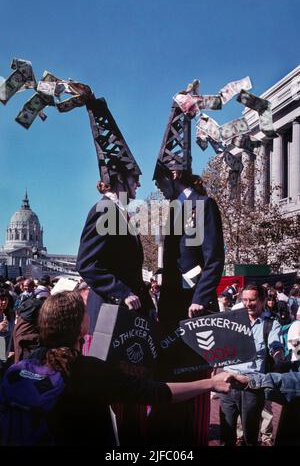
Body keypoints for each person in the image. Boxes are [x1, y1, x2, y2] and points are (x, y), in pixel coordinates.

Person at [0, 291, 237, 446]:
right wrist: (211, 383)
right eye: (85, 310)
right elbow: (155, 392)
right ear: (80, 325)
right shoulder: (87, 371)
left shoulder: (20, 366)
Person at [76, 97, 155, 444]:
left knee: (129, 393)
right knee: (112, 393)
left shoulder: (124, 215)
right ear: (120, 180)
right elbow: (87, 264)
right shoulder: (104, 211)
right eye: (135, 180)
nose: (138, 187)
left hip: (129, 315)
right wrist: (122, 292)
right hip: (111, 313)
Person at [148, 101, 225, 446]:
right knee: (168, 384)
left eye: (162, 180)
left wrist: (200, 298)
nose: (160, 188)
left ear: (175, 175)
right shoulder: (174, 210)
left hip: (192, 312)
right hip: (170, 311)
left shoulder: (203, 205)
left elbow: (214, 259)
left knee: (193, 385)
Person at [219, 283, 284, 446]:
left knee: (250, 435)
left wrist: (279, 356)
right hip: (228, 383)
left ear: (262, 300)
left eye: (252, 300)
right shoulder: (233, 320)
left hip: (252, 386)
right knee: (226, 435)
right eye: (244, 300)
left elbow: (276, 346)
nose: (247, 304)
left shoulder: (271, 324)